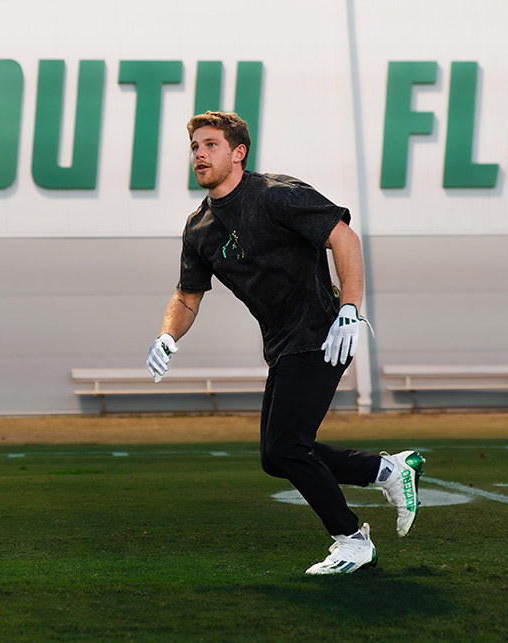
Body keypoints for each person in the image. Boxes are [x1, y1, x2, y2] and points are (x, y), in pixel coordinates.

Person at [146, 111, 424, 575]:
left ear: (238, 153)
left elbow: (345, 239)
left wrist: (350, 309)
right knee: (276, 457)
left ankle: (353, 540)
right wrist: (167, 336)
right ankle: (388, 471)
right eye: (194, 145)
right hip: (281, 344)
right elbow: (187, 295)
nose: (198, 153)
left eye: (210, 144)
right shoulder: (199, 228)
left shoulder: (277, 195)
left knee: (288, 447)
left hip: (322, 333)